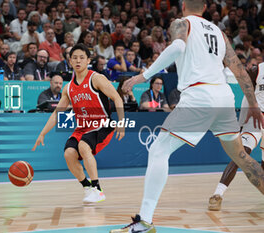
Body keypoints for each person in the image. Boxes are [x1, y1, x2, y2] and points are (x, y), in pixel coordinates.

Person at [110, 1, 264, 232]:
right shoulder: (219, 33)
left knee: (158, 150)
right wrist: (253, 104)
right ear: (204, 7)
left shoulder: (180, 23)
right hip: (223, 98)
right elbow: (239, 70)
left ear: (183, 6)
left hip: (199, 96)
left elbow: (177, 49)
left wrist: (142, 76)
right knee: (241, 156)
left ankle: (144, 221)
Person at [32, 43, 125, 203]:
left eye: (82, 57)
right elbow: (57, 112)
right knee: (69, 153)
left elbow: (117, 97)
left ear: (88, 60)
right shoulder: (68, 88)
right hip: (82, 128)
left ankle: (97, 189)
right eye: (74, 58)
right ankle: (87, 187)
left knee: (83, 145)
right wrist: (42, 133)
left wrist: (121, 122)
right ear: (69, 61)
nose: (78, 61)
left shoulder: (97, 79)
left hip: (103, 124)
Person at [208, 63, 264, 211]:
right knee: (241, 153)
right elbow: (248, 94)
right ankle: (217, 194)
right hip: (256, 118)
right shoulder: (257, 70)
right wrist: (243, 120)